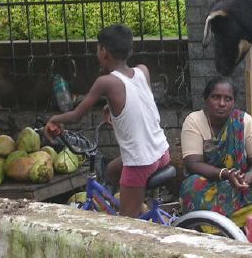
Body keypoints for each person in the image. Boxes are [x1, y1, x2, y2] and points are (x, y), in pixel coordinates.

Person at [44, 24, 169, 218]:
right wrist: (111, 107)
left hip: (140, 163)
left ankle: (133, 212)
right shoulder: (142, 71)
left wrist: (54, 120)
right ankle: (135, 200)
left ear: (103, 52)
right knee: (111, 170)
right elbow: (140, 102)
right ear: (130, 50)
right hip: (161, 152)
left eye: (98, 47)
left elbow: (76, 115)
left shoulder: (106, 82)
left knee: (125, 227)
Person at [179, 77, 252, 227]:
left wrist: (246, 179)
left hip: (241, 185)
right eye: (216, 97)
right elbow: (193, 163)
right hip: (211, 184)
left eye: (228, 99)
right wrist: (226, 174)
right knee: (192, 187)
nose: (221, 103)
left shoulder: (243, 121)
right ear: (206, 99)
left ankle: (238, 222)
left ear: (233, 102)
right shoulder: (194, 121)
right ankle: (220, 225)